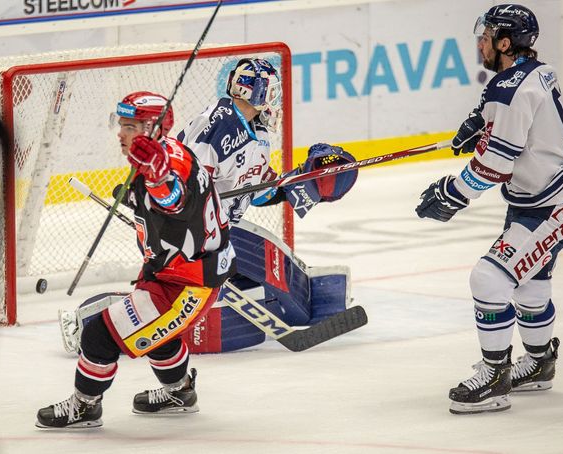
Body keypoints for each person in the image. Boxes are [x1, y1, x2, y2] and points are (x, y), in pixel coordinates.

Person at [58, 58, 358, 355]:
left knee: (268, 257)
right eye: (272, 90)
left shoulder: (258, 131)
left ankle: (310, 301)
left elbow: (252, 192)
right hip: (188, 238)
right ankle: (88, 323)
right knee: (182, 304)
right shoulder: (218, 127)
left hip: (221, 229)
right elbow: (187, 185)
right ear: (259, 92)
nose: (275, 99)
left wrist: (294, 186)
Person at [415, 4, 563, 415]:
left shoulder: (509, 88)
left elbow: (497, 162)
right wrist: (479, 122)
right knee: (531, 287)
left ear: (504, 42)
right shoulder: (533, 71)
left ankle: (495, 376)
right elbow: (507, 111)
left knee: (489, 279)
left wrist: (452, 193)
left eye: (487, 35)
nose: (479, 41)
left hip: (554, 205)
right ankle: (537, 363)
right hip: (543, 197)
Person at [37, 91, 236, 429]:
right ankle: (179, 392)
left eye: (129, 127)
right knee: (157, 335)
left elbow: (176, 201)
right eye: (121, 125)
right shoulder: (166, 155)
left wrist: (157, 181)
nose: (121, 133)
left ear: (151, 128)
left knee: (98, 334)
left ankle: (86, 406)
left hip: (189, 283)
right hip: (170, 272)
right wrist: (137, 192)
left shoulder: (168, 164)